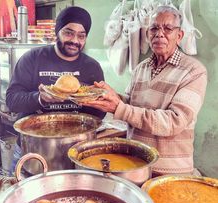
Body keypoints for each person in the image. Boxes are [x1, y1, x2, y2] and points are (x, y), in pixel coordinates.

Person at [83, 6, 207, 176]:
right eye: (154, 28)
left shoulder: (194, 71)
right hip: (136, 162)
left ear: (179, 36)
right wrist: (112, 96)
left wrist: (119, 108)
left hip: (170, 170)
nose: (159, 33)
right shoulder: (142, 67)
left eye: (168, 28)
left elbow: (174, 122)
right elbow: (131, 103)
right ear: (148, 34)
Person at [6, 6, 106, 173]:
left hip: (77, 153)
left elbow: (98, 115)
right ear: (57, 31)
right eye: (68, 32)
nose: (75, 40)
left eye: (81, 36)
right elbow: (12, 101)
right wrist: (40, 98)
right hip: (33, 151)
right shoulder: (32, 59)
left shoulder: (92, 67)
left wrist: (92, 100)